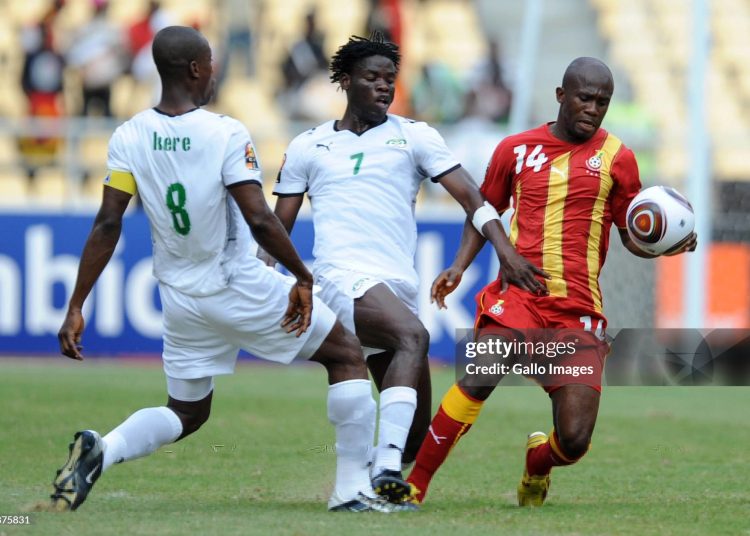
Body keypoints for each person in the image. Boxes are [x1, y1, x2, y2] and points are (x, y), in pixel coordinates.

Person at [49, 26, 411, 514]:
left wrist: (76, 305)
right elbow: (260, 218)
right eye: (212, 64)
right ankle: (351, 491)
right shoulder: (224, 133)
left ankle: (103, 448)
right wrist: (302, 279)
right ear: (197, 69)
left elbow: (107, 222)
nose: (215, 72)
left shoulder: (129, 135)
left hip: (179, 296)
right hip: (233, 281)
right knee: (346, 353)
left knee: (188, 410)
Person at [261, 33, 542, 505]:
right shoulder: (308, 146)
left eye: (390, 79)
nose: (384, 87)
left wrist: (505, 251)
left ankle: (360, 482)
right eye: (372, 78)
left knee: (415, 438)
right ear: (346, 82)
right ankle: (384, 472)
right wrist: (263, 280)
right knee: (415, 337)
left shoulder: (414, 135)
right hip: (338, 279)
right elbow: (276, 228)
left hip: (394, 287)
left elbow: (474, 199)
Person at [406, 57, 698, 506]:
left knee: (575, 439)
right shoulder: (516, 149)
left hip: (578, 309)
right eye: (584, 98)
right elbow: (484, 211)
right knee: (480, 375)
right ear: (561, 96)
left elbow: (632, 236)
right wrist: (460, 266)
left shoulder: (618, 159)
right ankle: (414, 487)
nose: (593, 108)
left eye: (603, 102)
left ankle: (538, 463)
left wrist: (667, 245)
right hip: (520, 294)